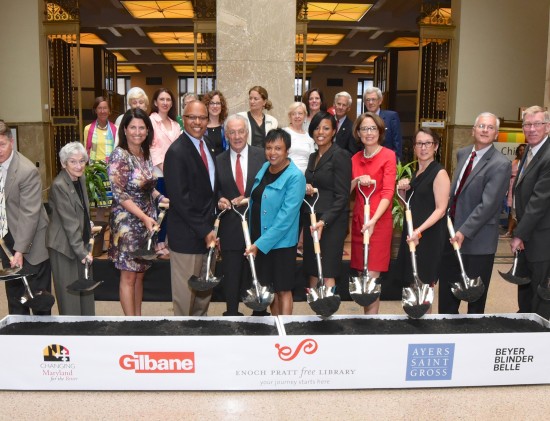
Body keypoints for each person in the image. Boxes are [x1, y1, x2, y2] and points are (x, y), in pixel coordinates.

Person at [438, 112, 511, 314]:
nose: (485, 130)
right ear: (473, 130)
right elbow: (456, 193)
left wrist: (463, 231)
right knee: (447, 294)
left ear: (496, 134)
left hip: (477, 240)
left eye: (490, 127)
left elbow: (488, 205)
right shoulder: (463, 153)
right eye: (481, 126)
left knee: (475, 298)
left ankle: (472, 338)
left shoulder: (500, 164)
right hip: (452, 235)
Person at [108, 108, 168, 316]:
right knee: (129, 276)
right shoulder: (119, 155)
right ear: (124, 129)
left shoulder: (144, 153)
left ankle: (138, 320)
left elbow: (148, 186)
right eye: (133, 127)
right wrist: (144, 217)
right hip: (127, 224)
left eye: (142, 127)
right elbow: (119, 194)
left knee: (140, 273)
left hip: (146, 222)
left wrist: (161, 199)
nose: (137, 132)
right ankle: (129, 323)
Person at [164, 100, 218, 316]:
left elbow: (210, 187)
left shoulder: (208, 146)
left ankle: (201, 339)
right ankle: (183, 343)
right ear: (183, 119)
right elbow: (181, 200)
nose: (197, 122)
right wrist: (205, 231)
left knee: (203, 296)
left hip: (208, 234)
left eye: (202, 118)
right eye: (192, 117)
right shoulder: (177, 151)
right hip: (188, 237)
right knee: (185, 300)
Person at [245, 129, 306, 316]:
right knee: (270, 289)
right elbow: (259, 195)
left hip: (280, 243)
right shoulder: (265, 168)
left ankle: (284, 332)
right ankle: (274, 326)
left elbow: (285, 219)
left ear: (287, 150)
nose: (272, 152)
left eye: (278, 148)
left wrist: (259, 245)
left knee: (283, 289)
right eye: (269, 147)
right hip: (259, 238)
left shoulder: (296, 177)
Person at [0, 120, 51, 315]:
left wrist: (19, 250)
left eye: (2, 144)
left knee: (38, 301)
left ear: (11, 142)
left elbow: (30, 214)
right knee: (15, 299)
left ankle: (43, 342)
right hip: (7, 239)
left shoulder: (26, 171)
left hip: (31, 243)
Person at [216, 114, 266, 316]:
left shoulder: (262, 156)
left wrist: (250, 198)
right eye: (232, 132)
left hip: (257, 225)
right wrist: (219, 200)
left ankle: (260, 313)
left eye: (240, 131)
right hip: (230, 227)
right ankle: (232, 313)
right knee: (232, 273)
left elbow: (268, 188)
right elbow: (214, 190)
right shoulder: (218, 160)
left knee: (258, 273)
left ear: (247, 133)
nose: (237, 136)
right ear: (226, 135)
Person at [350, 112, 396, 314]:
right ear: (358, 133)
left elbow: (388, 191)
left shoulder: (388, 155)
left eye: (373, 128)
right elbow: (347, 190)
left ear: (379, 131)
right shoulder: (355, 159)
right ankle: (366, 322)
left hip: (378, 222)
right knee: (362, 275)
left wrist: (374, 220)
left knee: (372, 277)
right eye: (364, 129)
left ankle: (371, 324)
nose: (369, 133)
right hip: (360, 221)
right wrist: (357, 181)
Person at [394, 128, 450, 293]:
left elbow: (440, 210)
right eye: (419, 143)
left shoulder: (439, 173)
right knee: (412, 286)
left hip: (428, 236)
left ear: (436, 146)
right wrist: (402, 191)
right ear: (414, 147)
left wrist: (418, 232)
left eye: (428, 143)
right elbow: (407, 206)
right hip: (413, 234)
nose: (423, 147)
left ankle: (425, 320)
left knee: (424, 287)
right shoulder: (416, 173)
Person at [303, 112, 351, 295]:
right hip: (312, 219)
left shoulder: (340, 155)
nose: (320, 132)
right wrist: (306, 187)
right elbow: (317, 185)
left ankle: (327, 311)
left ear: (334, 131)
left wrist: (325, 221)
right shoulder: (312, 156)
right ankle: (315, 315)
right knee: (313, 268)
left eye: (326, 128)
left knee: (327, 269)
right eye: (316, 127)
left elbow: (342, 196)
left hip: (331, 222)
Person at [46, 142, 95, 315]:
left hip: (79, 241)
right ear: (64, 163)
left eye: (82, 161)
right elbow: (69, 223)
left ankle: (88, 330)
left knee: (86, 290)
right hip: (63, 246)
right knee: (70, 296)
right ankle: (72, 333)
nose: (79, 165)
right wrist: (82, 253)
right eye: (73, 161)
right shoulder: (60, 185)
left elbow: (82, 209)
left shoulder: (80, 178)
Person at [511, 106, 550, 319]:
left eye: (537, 124)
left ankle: (540, 338)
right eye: (527, 124)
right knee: (526, 285)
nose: (532, 129)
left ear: (548, 127)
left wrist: (519, 234)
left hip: (542, 236)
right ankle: (525, 325)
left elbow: (539, 202)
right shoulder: (530, 150)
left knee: (540, 291)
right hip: (529, 232)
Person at [149, 88, 181, 257]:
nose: (165, 102)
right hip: (158, 172)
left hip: (173, 173)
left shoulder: (175, 124)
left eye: (168, 99)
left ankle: (165, 241)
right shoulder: (151, 121)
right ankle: (157, 242)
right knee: (158, 210)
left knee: (170, 209)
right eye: (161, 99)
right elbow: (153, 147)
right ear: (155, 102)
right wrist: (164, 168)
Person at [363, 87, 402, 160]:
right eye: (368, 100)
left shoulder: (391, 117)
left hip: (387, 162)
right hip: (367, 162)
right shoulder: (362, 120)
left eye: (373, 99)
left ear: (380, 101)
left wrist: (395, 163)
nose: (370, 102)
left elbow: (397, 143)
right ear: (365, 103)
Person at [283, 102, 315, 175]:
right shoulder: (284, 133)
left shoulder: (309, 137)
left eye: (300, 113)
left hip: (305, 178)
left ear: (305, 116)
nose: (297, 116)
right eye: (294, 114)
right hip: (287, 175)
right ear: (290, 116)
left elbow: (312, 160)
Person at [502, 143, 526, 238]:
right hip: (513, 188)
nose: (522, 151)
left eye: (524, 149)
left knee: (522, 210)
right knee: (512, 210)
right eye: (520, 150)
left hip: (524, 189)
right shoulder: (514, 162)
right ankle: (509, 231)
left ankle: (520, 232)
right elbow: (508, 176)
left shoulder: (531, 161)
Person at [84, 96, 117, 162]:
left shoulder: (116, 129)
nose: (102, 111)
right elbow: (86, 151)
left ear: (109, 110)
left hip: (112, 169)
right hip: (94, 169)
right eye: (99, 108)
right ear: (95, 110)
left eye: (105, 108)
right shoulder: (88, 129)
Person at [333, 91, 360, 155]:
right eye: (338, 104)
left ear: (348, 108)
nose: (340, 107)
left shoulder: (352, 128)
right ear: (334, 105)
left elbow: (352, 152)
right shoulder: (327, 121)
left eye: (344, 105)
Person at [203, 90, 229, 156]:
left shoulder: (227, 127)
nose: (215, 106)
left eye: (218, 103)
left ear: (222, 106)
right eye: (212, 103)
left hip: (223, 164)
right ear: (207, 105)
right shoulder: (201, 127)